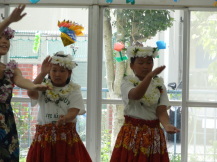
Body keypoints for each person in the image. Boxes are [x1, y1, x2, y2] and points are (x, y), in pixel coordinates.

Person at [110, 45, 180, 161]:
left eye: (149, 63)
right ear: (132, 65)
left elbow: (161, 110)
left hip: (154, 133)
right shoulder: (127, 82)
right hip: (133, 132)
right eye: (141, 63)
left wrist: (167, 125)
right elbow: (135, 95)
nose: (145, 66)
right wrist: (149, 76)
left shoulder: (159, 85)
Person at [0, 4, 50, 161]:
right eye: (1, 37)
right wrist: (9, 20)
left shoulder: (11, 69)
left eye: (7, 38)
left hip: (5, 122)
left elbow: (21, 80)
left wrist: (35, 85)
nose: (5, 41)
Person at [26, 52, 92, 162]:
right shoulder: (43, 86)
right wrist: (42, 73)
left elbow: (74, 111)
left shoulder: (74, 90)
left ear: (69, 73)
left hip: (66, 137)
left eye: (62, 71)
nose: (57, 74)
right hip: (44, 137)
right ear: (49, 71)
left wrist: (65, 118)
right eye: (54, 70)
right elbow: (31, 93)